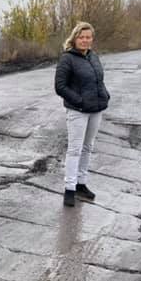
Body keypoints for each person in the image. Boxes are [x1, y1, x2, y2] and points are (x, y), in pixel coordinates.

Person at [54, 21, 110, 207]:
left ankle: (81, 184)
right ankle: (69, 189)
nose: (85, 40)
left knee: (88, 147)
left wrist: (104, 95)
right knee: (75, 149)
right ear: (75, 38)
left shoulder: (93, 56)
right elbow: (60, 87)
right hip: (77, 111)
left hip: (96, 109)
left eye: (88, 37)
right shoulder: (67, 59)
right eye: (82, 37)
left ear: (92, 39)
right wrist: (79, 101)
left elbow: (98, 80)